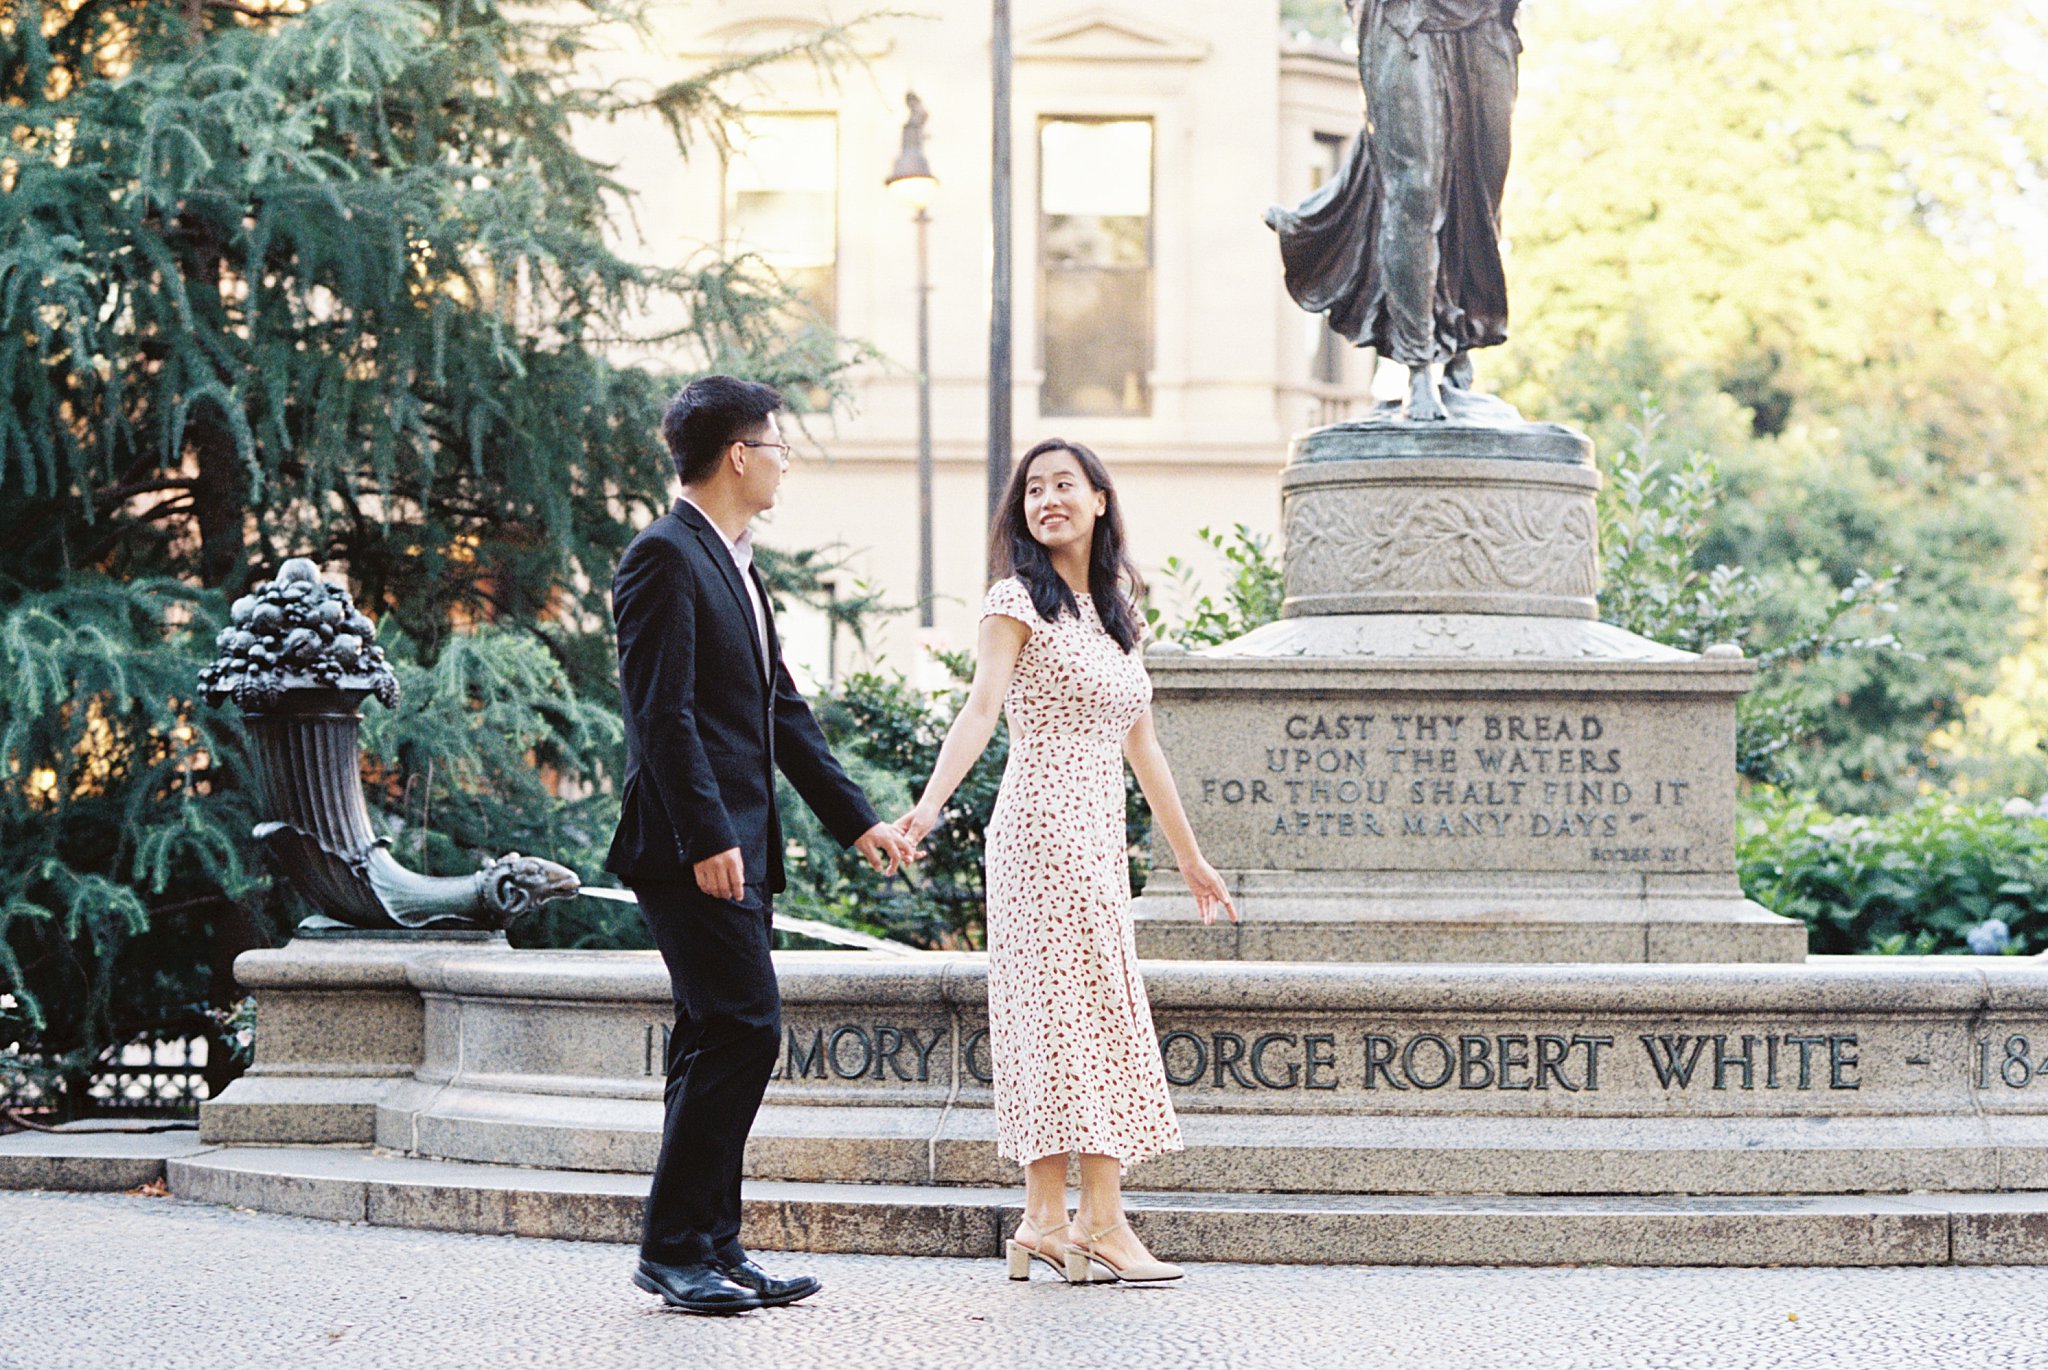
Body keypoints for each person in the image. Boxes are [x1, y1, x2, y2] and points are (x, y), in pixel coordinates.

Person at [606, 374, 916, 1315]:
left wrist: (856, 818)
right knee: (746, 1027)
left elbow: (782, 712)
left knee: (714, 1036)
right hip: (691, 846)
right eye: (777, 445)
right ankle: (672, 1250)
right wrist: (706, 835)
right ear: (738, 454)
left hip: (738, 844)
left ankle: (713, 1246)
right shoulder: (662, 556)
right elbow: (659, 716)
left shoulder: (736, 562)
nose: (784, 462)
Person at [896, 438, 1238, 1285]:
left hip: (1095, 835)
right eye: (1033, 489)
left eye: (1064, 485)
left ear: (1098, 501)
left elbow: (1144, 747)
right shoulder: (1016, 600)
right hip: (1041, 826)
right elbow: (981, 710)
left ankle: (1048, 1220)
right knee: (1074, 1014)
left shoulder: (1119, 611)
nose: (1047, 498)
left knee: (1067, 1012)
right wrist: (929, 807)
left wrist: (1190, 859)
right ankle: (1103, 1224)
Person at [1266, 0, 1522, 421]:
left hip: (1484, 19)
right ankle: (1418, 363)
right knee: (1415, 189)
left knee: (1478, 187)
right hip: (1403, 16)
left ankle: (1459, 336)